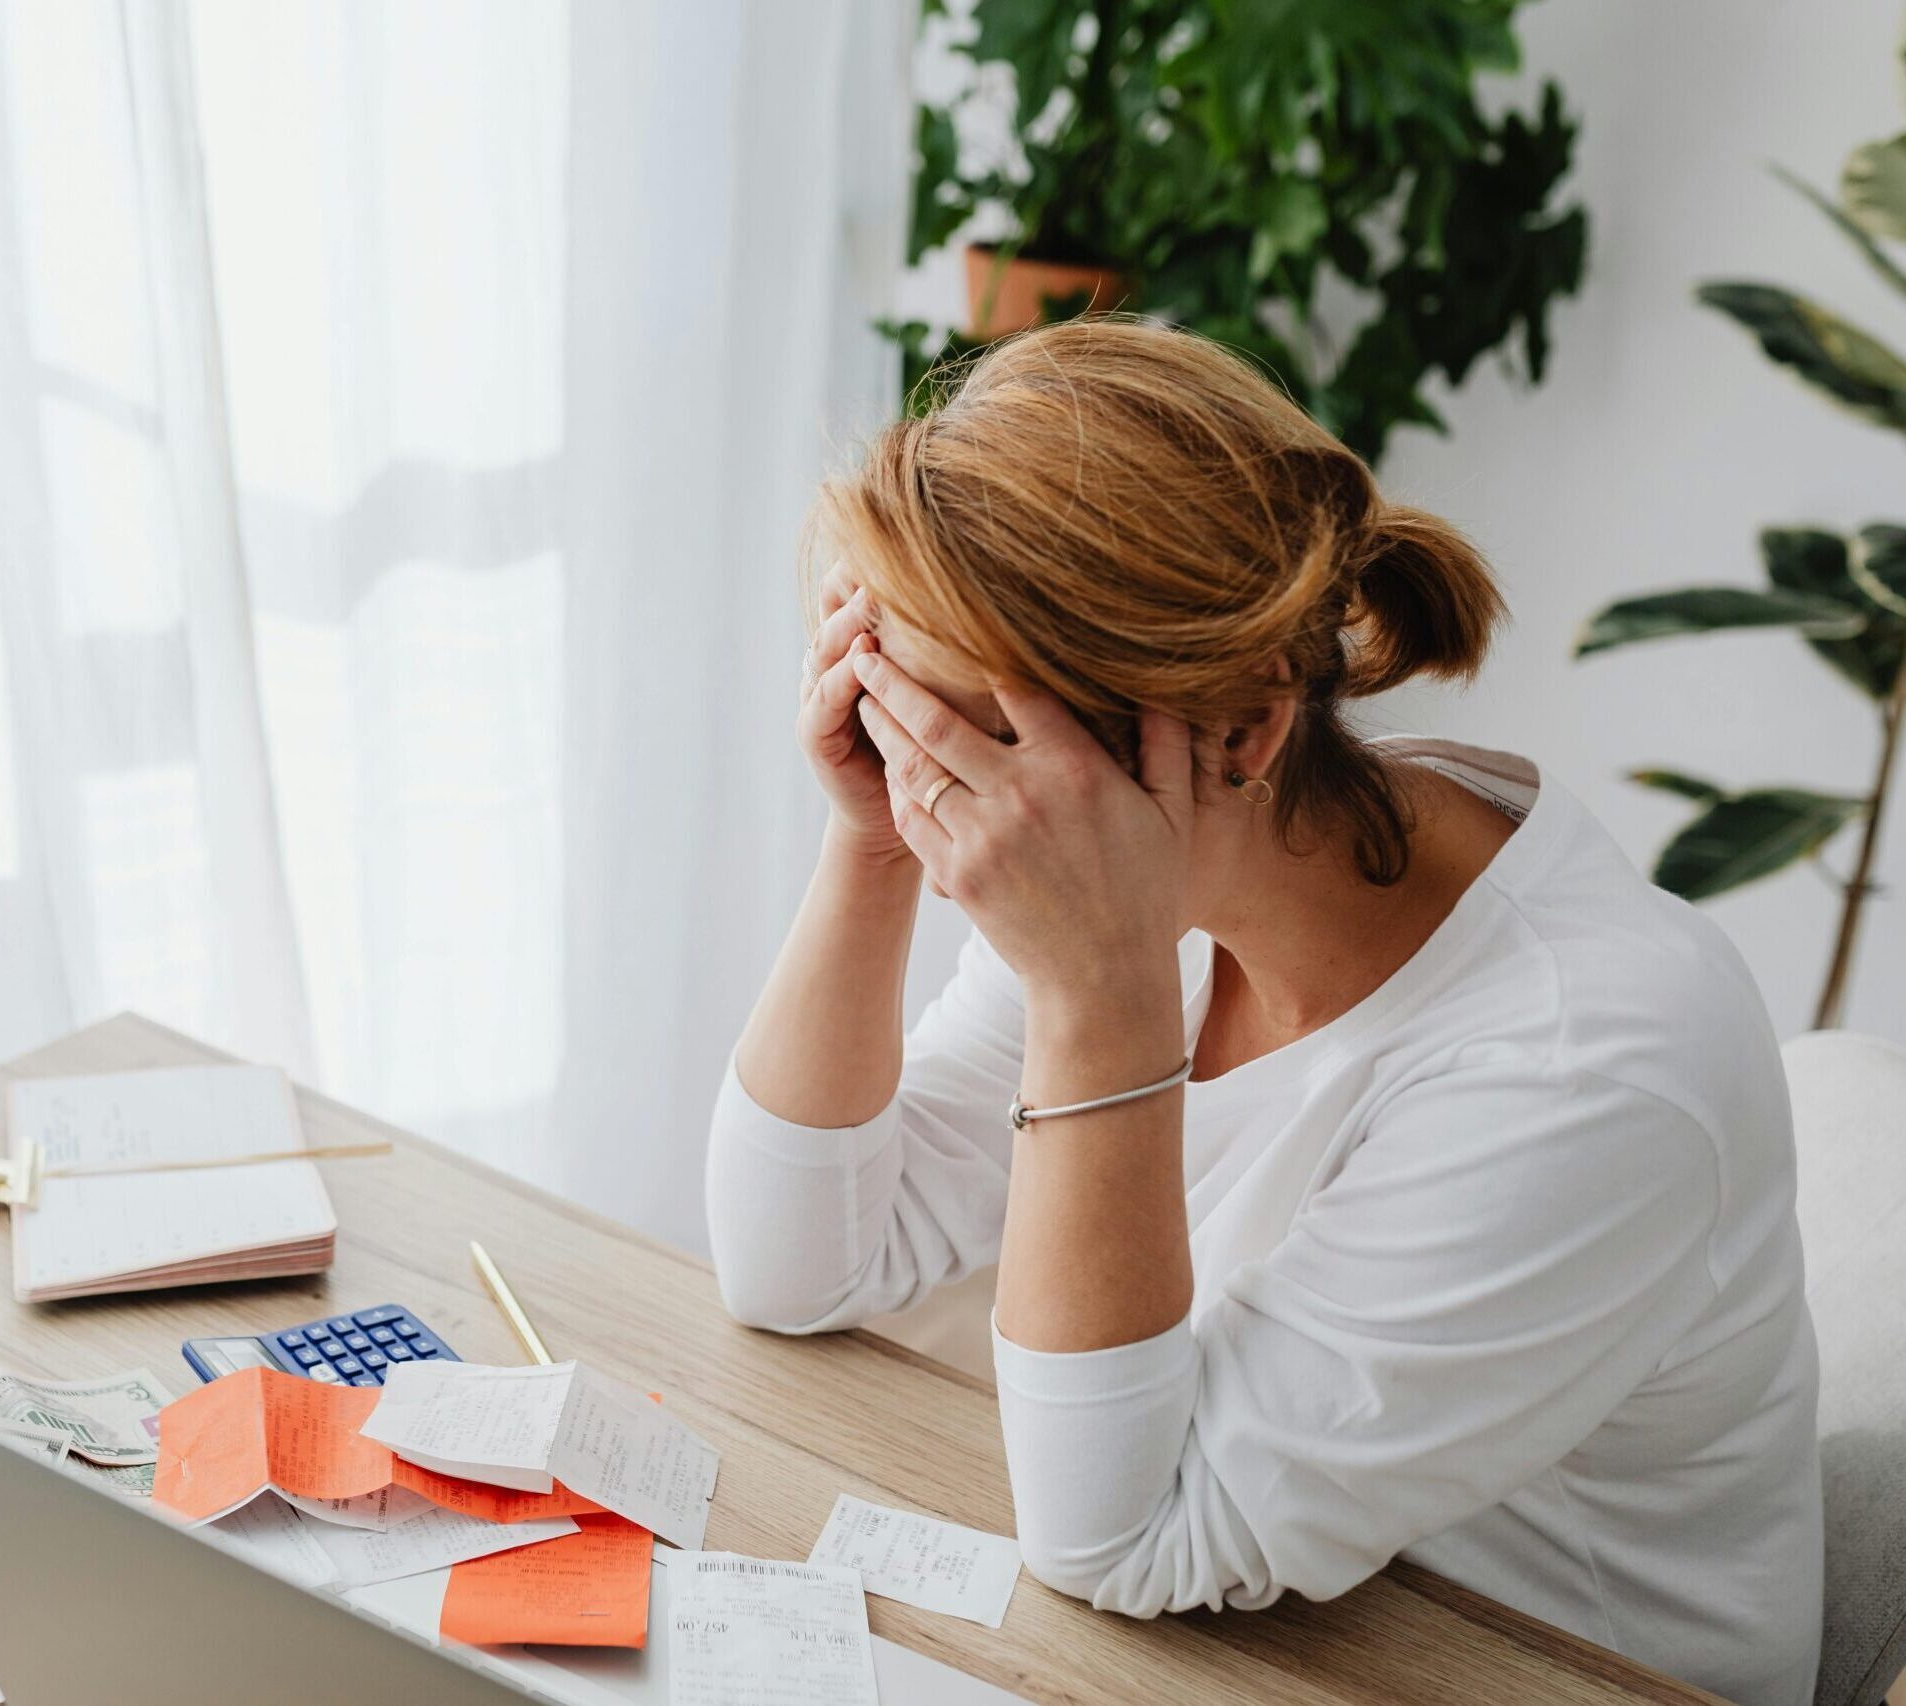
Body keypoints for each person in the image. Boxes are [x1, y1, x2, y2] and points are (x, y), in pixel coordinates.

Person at [705, 317, 1821, 1706]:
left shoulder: (1586, 1063)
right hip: (1260, 1632)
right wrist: (868, 845)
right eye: (891, 718)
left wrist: (1097, 996)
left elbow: (1119, 1534)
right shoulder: (1168, 857)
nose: (950, 811)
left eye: (967, 746)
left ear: (1242, 731)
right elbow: (796, 1263)